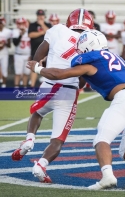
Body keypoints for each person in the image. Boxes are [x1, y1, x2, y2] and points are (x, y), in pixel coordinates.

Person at [27, 29, 125, 189]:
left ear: (87, 47)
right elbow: (83, 82)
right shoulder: (114, 57)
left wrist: (38, 68)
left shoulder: (90, 61)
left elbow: (60, 74)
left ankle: (107, 176)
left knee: (101, 140)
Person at [12, 9, 94, 184]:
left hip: (48, 83)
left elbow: (40, 53)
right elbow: (84, 76)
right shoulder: (93, 38)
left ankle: (29, 139)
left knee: (38, 113)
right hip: (68, 89)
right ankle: (41, 165)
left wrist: (37, 64)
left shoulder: (57, 29)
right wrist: (79, 87)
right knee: (58, 139)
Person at [28, 9, 51, 87]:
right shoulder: (32, 25)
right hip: (35, 50)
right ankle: (32, 86)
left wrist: (42, 25)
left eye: (41, 15)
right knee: (34, 68)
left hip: (47, 51)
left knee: (46, 68)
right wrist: (42, 32)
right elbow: (31, 35)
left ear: (44, 16)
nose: (40, 17)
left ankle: (46, 86)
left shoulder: (48, 24)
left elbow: (49, 33)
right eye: (39, 15)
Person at [12, 18, 31, 88]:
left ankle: (24, 88)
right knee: (18, 72)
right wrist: (21, 35)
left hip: (27, 55)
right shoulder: (15, 31)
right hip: (18, 55)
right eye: (19, 23)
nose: (21, 25)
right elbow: (15, 43)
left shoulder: (29, 31)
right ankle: (16, 88)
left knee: (26, 73)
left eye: (22, 23)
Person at [0, 17, 11, 88]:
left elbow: (9, 45)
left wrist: (5, 43)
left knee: (4, 68)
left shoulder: (8, 32)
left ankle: (4, 84)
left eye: (1, 23)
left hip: (4, 53)